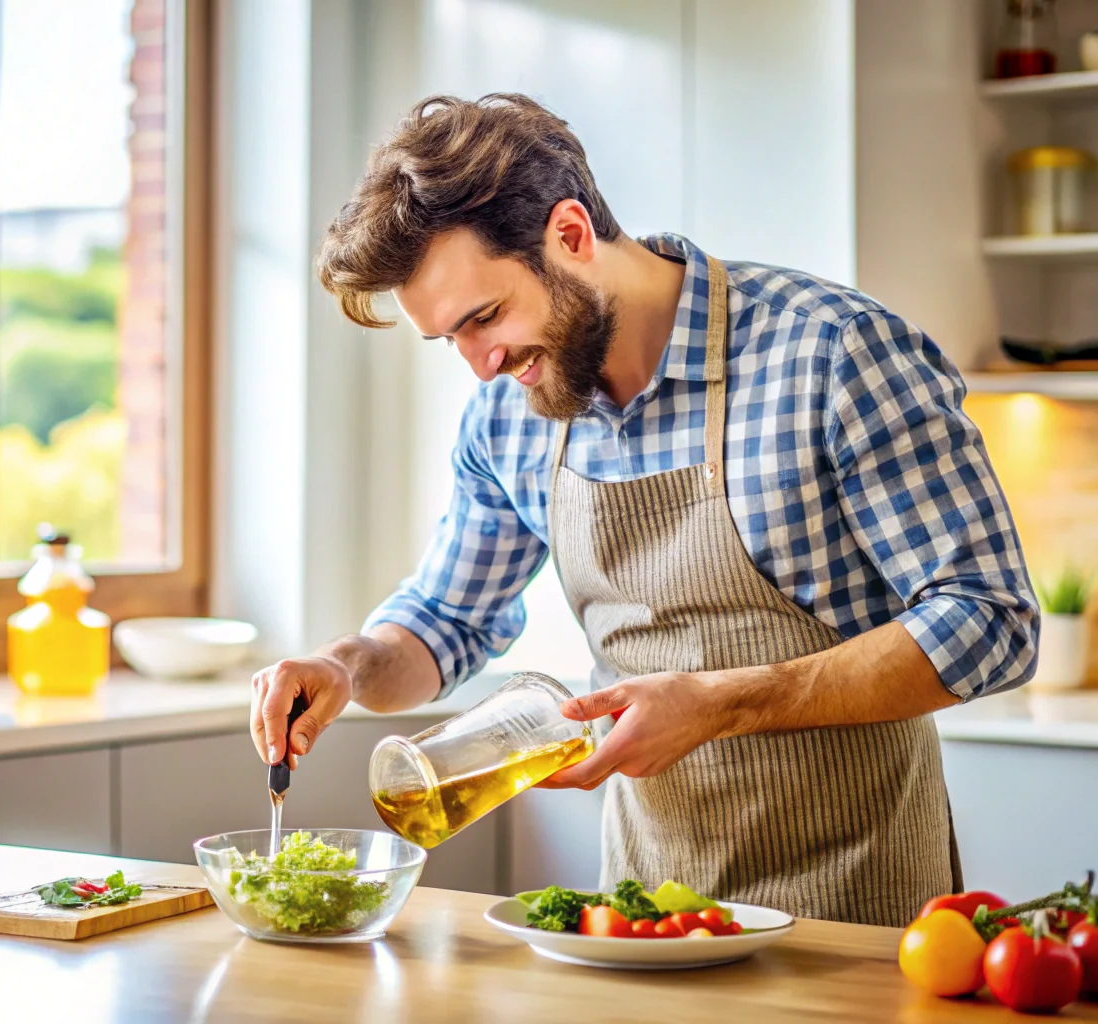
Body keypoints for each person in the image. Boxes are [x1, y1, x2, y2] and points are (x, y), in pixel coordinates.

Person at [246, 94, 1038, 926]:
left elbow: (993, 620)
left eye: (486, 317)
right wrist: (345, 666)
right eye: (451, 340)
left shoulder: (831, 352)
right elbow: (446, 619)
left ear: (573, 235)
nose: (481, 366)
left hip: (856, 910)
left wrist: (723, 701)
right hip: (639, 916)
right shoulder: (509, 413)